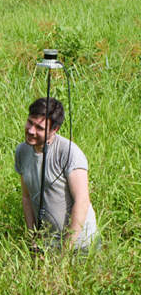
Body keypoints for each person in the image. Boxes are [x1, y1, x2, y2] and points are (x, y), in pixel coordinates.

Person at [14, 97, 97, 254]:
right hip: (46, 244)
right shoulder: (22, 151)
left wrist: (65, 251)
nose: (31, 131)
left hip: (79, 245)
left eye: (39, 127)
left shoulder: (69, 152)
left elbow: (82, 202)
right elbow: (26, 197)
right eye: (29, 122)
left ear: (55, 129)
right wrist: (33, 241)